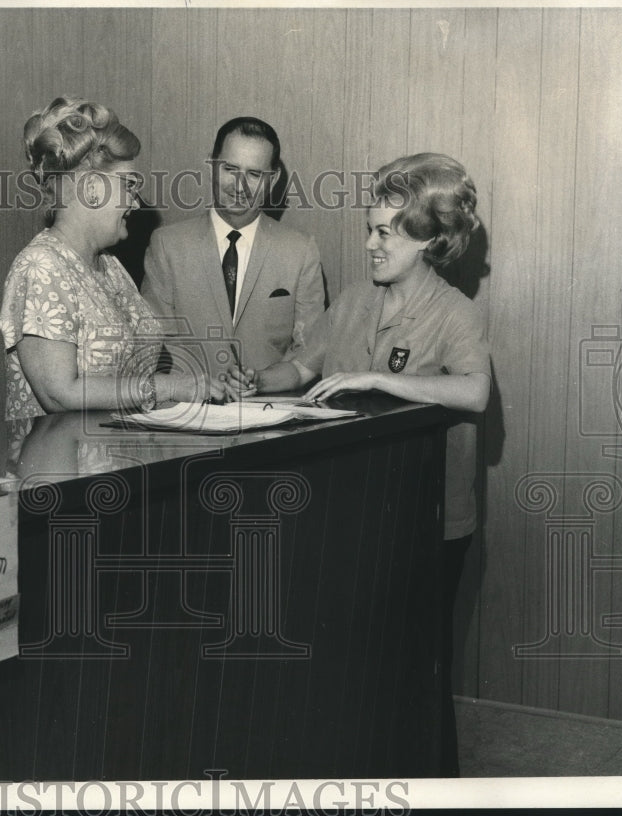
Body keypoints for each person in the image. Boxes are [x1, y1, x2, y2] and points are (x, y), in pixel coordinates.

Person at [228, 153, 490, 776]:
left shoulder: (455, 312)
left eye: (386, 232)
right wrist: (257, 379)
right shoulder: (352, 299)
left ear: (430, 240)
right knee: (356, 664)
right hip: (355, 516)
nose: (370, 242)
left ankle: (432, 783)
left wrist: (380, 378)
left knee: (418, 666)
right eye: (370, 228)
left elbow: (474, 392)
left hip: (430, 523)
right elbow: (302, 368)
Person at [0, 97, 223, 420]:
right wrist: (170, 387)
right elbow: (60, 393)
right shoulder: (40, 266)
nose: (135, 202)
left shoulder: (111, 267)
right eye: (129, 186)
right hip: (64, 467)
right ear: (92, 189)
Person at [140, 117, 326, 379]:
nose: (240, 186)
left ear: (272, 180)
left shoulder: (300, 250)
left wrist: (261, 383)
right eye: (230, 169)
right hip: (187, 410)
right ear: (212, 166)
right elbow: (153, 344)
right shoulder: (167, 246)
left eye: (254, 174)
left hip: (269, 411)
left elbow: (311, 351)